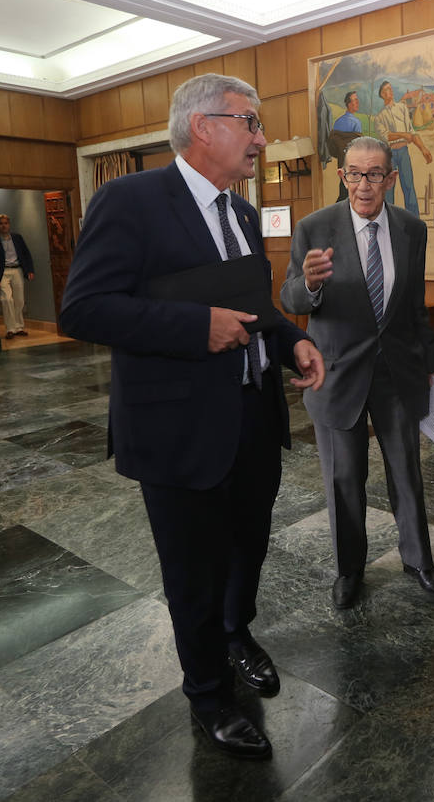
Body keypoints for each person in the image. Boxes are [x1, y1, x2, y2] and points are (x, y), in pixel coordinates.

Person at [60, 73, 325, 761]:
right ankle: (208, 692)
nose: (263, 139)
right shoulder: (128, 200)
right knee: (193, 571)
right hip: (176, 429)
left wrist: (290, 337)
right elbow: (82, 307)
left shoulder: (240, 212)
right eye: (251, 123)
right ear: (203, 127)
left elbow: (253, 304)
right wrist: (193, 327)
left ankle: (236, 633)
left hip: (251, 417)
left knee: (249, 545)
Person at [280, 136, 434, 610]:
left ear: (391, 179)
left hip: (398, 374)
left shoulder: (411, 230)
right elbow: (288, 299)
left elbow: (414, 309)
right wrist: (309, 286)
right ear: (342, 176)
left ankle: (418, 560)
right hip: (337, 375)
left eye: (374, 174)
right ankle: (349, 569)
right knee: (343, 478)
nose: (363, 184)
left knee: (407, 473)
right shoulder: (314, 227)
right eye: (354, 173)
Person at [374, 81, 432, 216]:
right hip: (389, 155)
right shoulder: (379, 117)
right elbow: (385, 136)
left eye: (391, 88)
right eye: (387, 89)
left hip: (404, 152)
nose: (391, 91)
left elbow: (411, 132)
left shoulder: (402, 108)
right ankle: (389, 221)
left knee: (409, 187)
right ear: (382, 94)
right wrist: (402, 134)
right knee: (388, 189)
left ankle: (414, 220)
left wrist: (423, 149)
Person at [0, 214, 35, 339]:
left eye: (6, 223)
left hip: (17, 270)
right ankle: (10, 329)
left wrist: (29, 270)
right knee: (6, 299)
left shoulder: (17, 238)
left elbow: (26, 254)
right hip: (2, 272)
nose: (4, 225)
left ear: (9, 224)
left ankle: (19, 327)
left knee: (19, 299)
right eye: (1, 223)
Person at [329, 91, 364, 202]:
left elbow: (334, 145)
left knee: (343, 188)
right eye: (355, 100)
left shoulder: (337, 122)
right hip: (353, 163)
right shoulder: (356, 123)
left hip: (342, 162)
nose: (357, 102)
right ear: (349, 104)